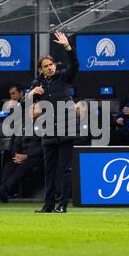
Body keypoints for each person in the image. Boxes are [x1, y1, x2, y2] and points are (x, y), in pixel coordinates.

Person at [29, 31, 79, 213]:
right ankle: (48, 205)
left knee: (65, 169)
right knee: (49, 170)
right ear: (40, 69)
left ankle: (63, 205)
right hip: (48, 129)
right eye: (46, 66)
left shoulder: (64, 77)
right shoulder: (37, 84)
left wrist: (67, 47)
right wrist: (31, 96)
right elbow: (27, 106)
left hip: (66, 128)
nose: (50, 67)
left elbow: (75, 64)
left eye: (51, 64)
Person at [0, 102, 43, 203]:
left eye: (34, 108)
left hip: (37, 157)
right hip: (22, 157)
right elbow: (16, 142)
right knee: (9, 166)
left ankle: (4, 189)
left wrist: (27, 156)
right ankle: (3, 192)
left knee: (24, 165)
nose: (31, 110)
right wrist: (16, 156)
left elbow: (43, 147)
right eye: (30, 108)